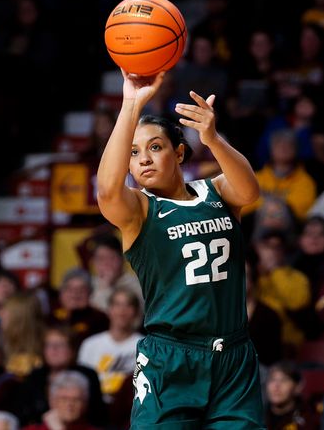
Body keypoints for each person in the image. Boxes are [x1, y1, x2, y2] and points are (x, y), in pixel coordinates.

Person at [96, 70, 264, 428]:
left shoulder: (216, 191)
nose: (143, 159)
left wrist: (214, 139)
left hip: (233, 357)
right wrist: (130, 104)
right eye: (134, 153)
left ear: (180, 152)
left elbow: (250, 191)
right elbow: (108, 191)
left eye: (155, 147)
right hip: (171, 359)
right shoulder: (139, 211)